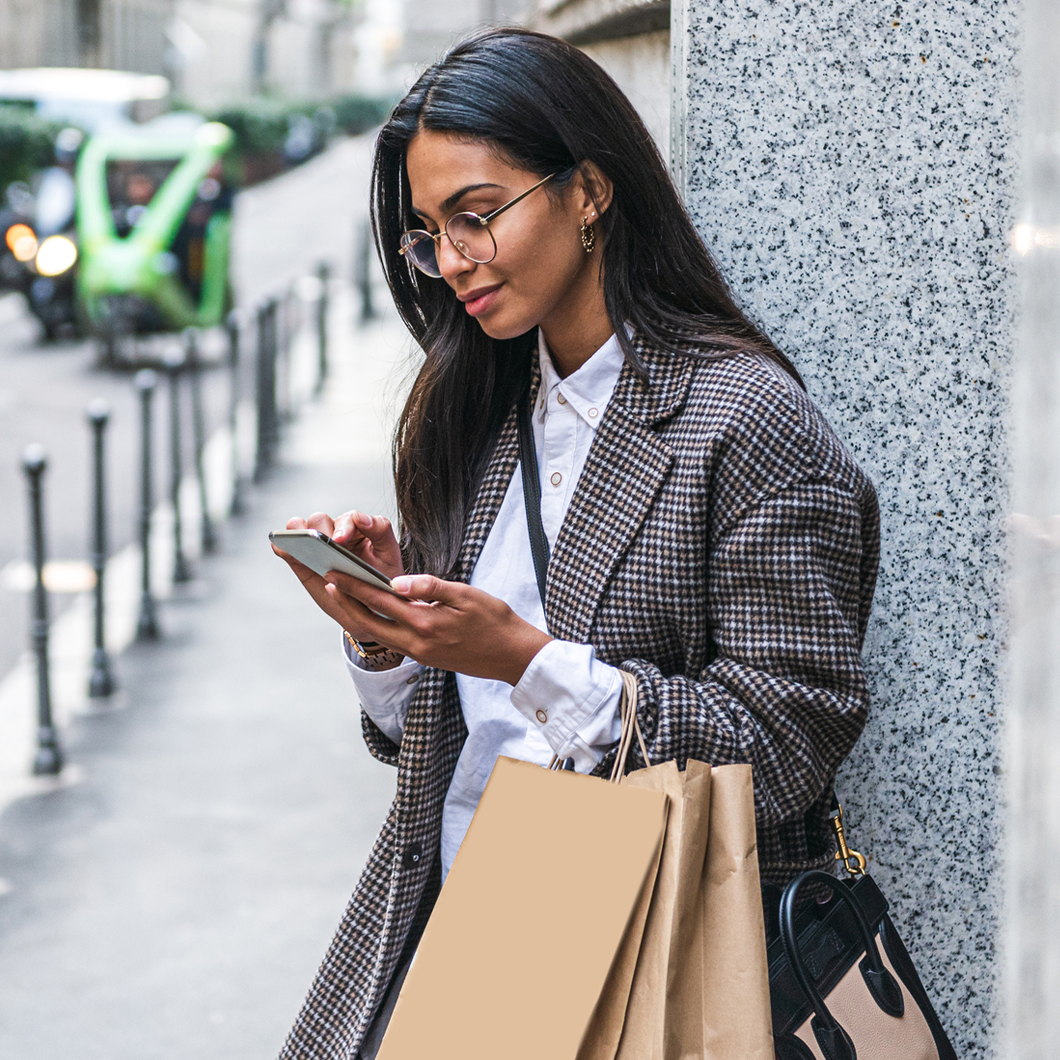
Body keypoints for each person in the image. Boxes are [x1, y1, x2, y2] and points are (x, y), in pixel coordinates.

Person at [274, 27, 879, 1060]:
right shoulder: (471, 405)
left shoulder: (738, 416)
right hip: (464, 917)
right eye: (427, 231)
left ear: (589, 190)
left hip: (649, 946)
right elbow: (439, 735)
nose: (450, 259)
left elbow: (788, 735)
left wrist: (526, 660)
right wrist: (386, 633)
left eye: (476, 215)